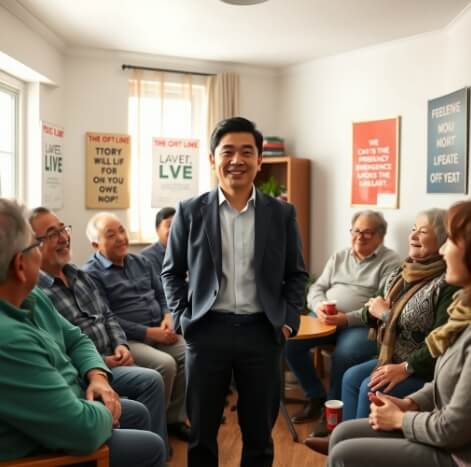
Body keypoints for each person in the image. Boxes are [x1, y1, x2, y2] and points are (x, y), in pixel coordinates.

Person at [161, 116, 309, 467]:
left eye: (246, 152)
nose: (237, 160)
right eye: (227, 151)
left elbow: (296, 274)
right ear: (212, 159)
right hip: (207, 331)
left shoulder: (281, 214)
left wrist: (288, 322)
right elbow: (172, 272)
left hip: (262, 332)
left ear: (259, 160)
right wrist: (183, 319)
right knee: (201, 436)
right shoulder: (190, 211)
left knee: (260, 437)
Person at [0, 198, 165, 467]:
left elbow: (77, 338)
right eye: (36, 244)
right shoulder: (9, 339)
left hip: (78, 397)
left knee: (138, 412)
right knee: (151, 447)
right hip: (44, 450)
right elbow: (81, 430)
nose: (62, 238)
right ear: (20, 265)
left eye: (62, 229)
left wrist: (98, 377)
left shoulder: (32, 298)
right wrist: (106, 409)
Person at [327, 200, 471, 467]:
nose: (414, 235)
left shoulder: (446, 286)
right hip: (395, 358)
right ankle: (346, 438)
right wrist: (348, 318)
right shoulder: (404, 271)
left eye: (423, 231)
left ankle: (360, 447)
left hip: (415, 366)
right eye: (413, 229)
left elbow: (432, 347)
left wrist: (404, 370)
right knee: (350, 380)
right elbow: (372, 307)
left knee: (369, 386)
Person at [285, 210, 400, 431]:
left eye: (367, 233)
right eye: (356, 231)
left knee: (345, 354)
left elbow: (381, 305)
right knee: (290, 341)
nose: (360, 237)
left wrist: (345, 319)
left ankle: (333, 411)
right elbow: (317, 287)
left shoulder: (391, 262)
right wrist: (318, 306)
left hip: (362, 325)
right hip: (326, 318)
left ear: (381, 236)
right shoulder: (340, 256)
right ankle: (315, 395)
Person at [83, 212, 188, 440]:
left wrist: (168, 316)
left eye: (122, 230)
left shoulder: (141, 261)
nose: (121, 238)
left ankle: (174, 419)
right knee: (166, 364)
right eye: (111, 235)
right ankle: (154, 429)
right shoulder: (91, 274)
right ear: (95, 244)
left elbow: (162, 295)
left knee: (190, 352)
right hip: (128, 339)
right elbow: (107, 316)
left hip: (160, 329)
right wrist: (150, 333)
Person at [141, 207, 175, 279]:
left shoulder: (188, 251)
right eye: (169, 225)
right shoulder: (147, 256)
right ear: (157, 229)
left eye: (176, 225)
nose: (173, 230)